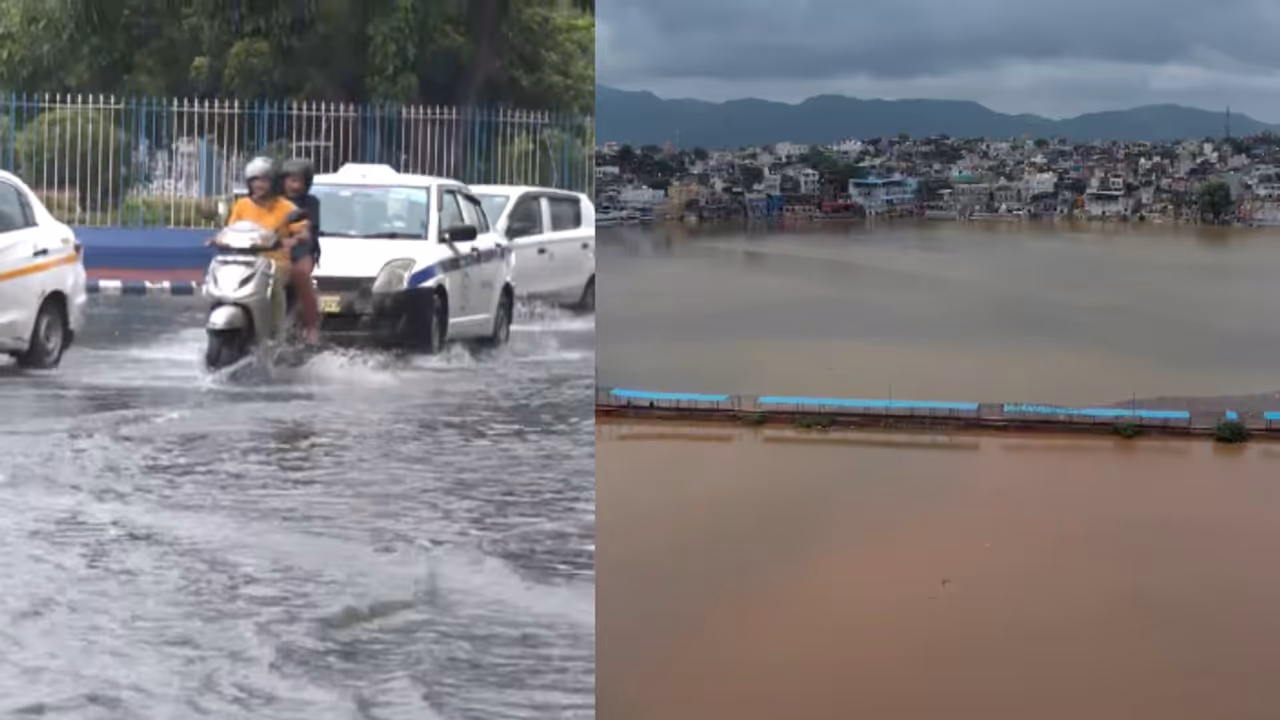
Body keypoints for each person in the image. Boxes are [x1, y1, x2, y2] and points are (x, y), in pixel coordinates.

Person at [212, 156, 305, 341]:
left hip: (275, 262)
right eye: (254, 180)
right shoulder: (242, 205)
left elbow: (303, 232)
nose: (259, 185)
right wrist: (218, 238)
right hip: (245, 260)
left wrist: (290, 241)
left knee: (274, 283)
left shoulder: (286, 207)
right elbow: (230, 229)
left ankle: (277, 334)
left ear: (273, 182)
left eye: (264, 180)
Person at [280, 158, 321, 343]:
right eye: (291, 180)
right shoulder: (273, 201)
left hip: (302, 251)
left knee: (300, 273)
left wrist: (293, 240)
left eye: (299, 181)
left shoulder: (310, 203)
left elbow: (309, 230)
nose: (294, 185)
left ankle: (311, 327)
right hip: (273, 250)